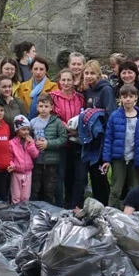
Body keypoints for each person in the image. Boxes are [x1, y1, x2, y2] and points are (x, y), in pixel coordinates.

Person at [102, 84, 139, 208]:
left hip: (136, 158)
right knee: (116, 188)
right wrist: (106, 159)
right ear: (120, 98)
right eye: (125, 97)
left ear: (136, 97)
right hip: (119, 158)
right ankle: (111, 211)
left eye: (131, 96)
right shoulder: (114, 116)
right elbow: (108, 139)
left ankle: (133, 212)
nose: (128, 99)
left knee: (134, 188)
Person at [50, 69, 85, 208]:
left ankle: (75, 205)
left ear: (73, 81)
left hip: (77, 141)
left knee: (78, 176)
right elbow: (53, 116)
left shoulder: (80, 98)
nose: (66, 83)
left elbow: (85, 115)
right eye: (63, 80)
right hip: (61, 141)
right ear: (59, 81)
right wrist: (67, 128)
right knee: (60, 175)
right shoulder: (53, 97)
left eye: (68, 80)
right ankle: (59, 205)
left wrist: (77, 130)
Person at [81, 60, 114, 204]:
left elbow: (110, 112)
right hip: (91, 138)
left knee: (100, 174)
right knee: (93, 173)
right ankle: (96, 203)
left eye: (92, 73)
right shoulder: (88, 90)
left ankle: (105, 204)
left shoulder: (106, 90)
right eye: (87, 73)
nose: (89, 76)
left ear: (98, 75)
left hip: (103, 137)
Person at [29, 94, 66, 203]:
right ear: (37, 107)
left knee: (49, 189)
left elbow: (63, 138)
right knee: (35, 187)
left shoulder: (57, 122)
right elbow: (28, 138)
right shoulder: (32, 122)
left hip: (51, 161)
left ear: (51, 107)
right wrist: (34, 144)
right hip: (36, 161)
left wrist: (48, 144)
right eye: (41, 106)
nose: (43, 109)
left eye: (46, 106)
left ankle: (49, 209)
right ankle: (34, 208)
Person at [8, 115, 40, 204]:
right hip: (16, 173)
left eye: (27, 129)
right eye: (23, 129)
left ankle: (24, 210)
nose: (26, 132)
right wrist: (12, 165)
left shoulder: (30, 141)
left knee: (25, 196)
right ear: (17, 130)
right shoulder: (11, 143)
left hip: (28, 173)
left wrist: (31, 145)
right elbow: (10, 157)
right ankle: (15, 211)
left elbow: (35, 155)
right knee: (16, 196)